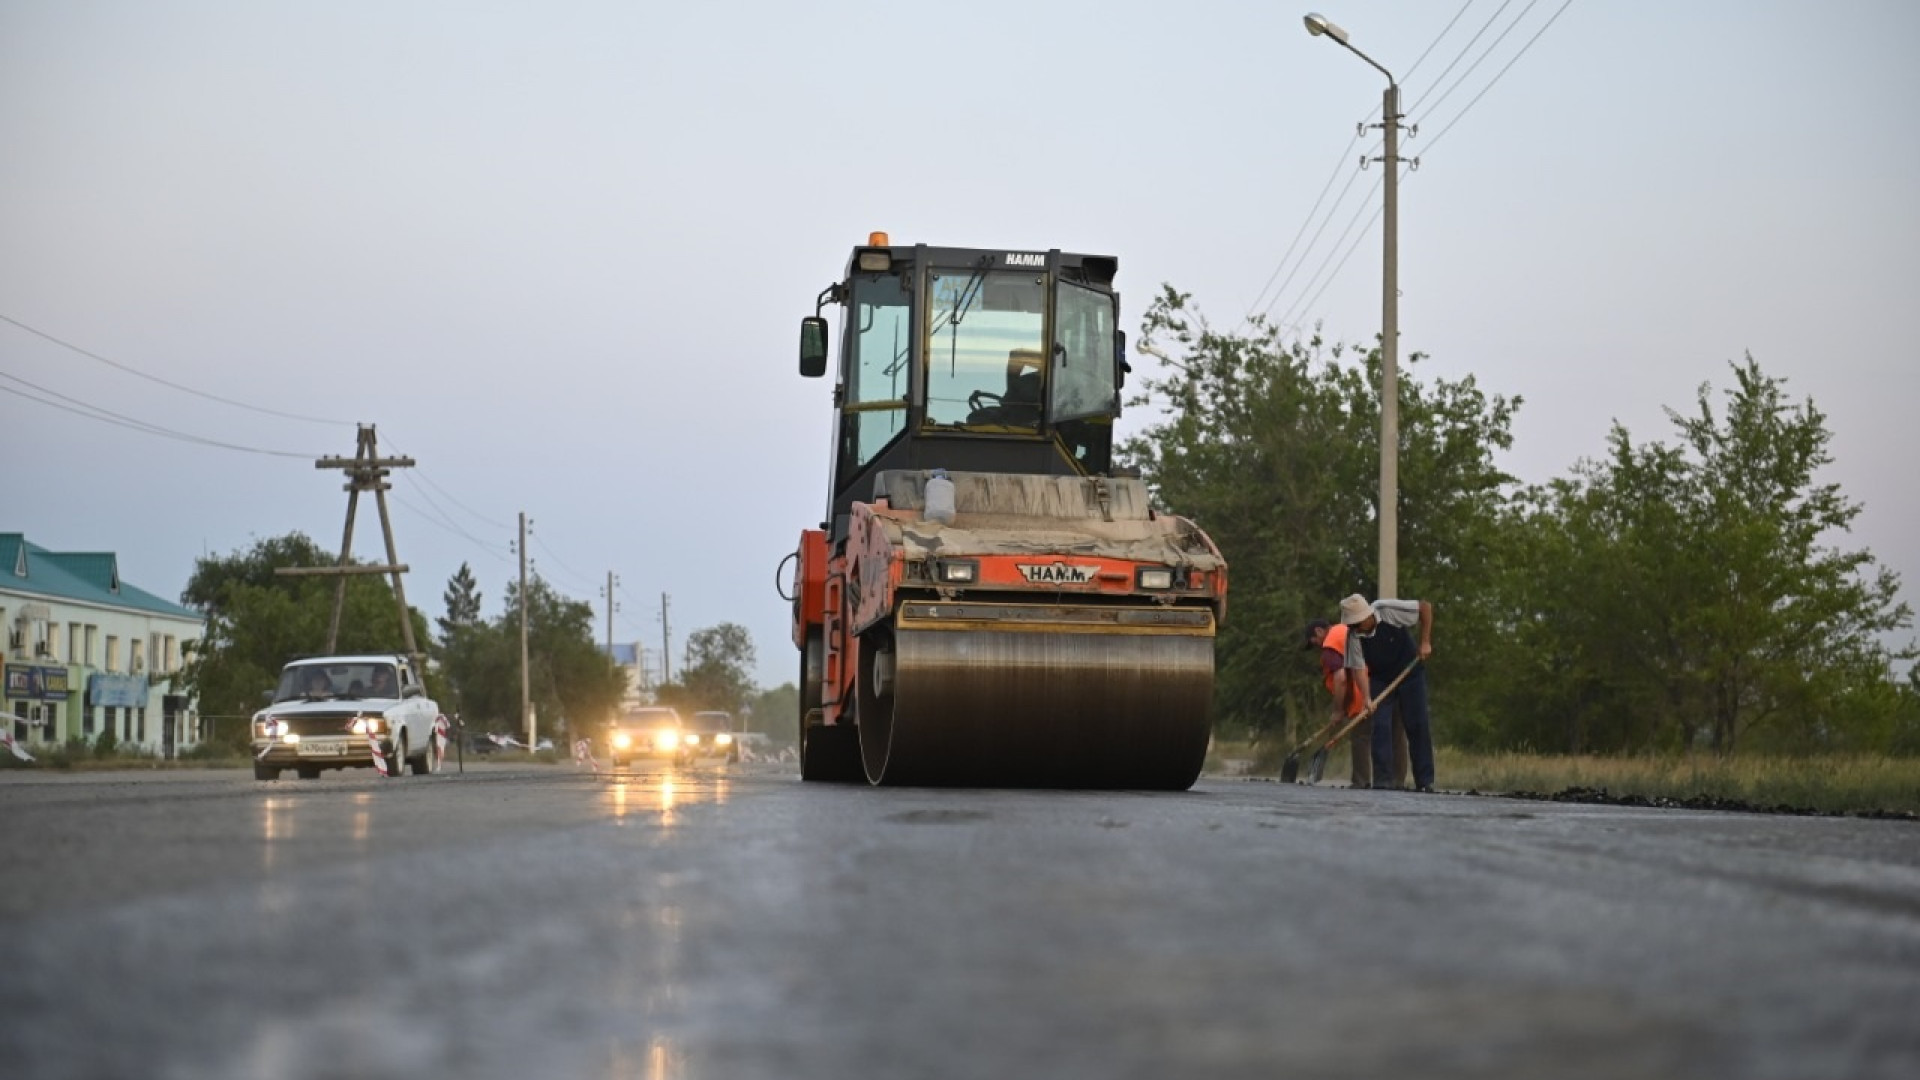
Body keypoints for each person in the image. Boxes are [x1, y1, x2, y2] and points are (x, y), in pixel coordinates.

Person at [1339, 593, 1436, 792]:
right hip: (1381, 679)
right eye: (1351, 625)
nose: (1354, 628)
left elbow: (1425, 608)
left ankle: (1425, 781)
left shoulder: (1387, 610)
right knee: (1380, 725)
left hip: (1410, 672)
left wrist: (1425, 641)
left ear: (1367, 615)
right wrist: (1367, 698)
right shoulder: (1354, 635)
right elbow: (1358, 669)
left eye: (1357, 623)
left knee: (1417, 724)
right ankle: (1383, 780)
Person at [1303, 617, 1372, 789]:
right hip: (1374, 683)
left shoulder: (1330, 646)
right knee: (1384, 735)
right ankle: (1390, 781)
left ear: (1319, 631)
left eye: (1314, 642)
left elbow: (1340, 678)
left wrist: (1338, 710)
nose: (1317, 647)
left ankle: (1361, 782)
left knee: (1360, 738)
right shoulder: (1344, 630)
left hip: (1362, 694)